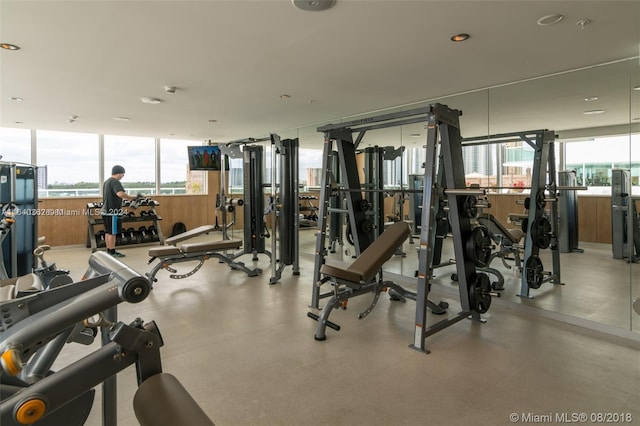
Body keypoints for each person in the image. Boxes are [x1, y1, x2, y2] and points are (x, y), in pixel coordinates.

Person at [102, 165, 136, 257]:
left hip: (105, 211)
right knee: (113, 233)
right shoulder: (115, 182)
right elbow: (120, 193)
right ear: (119, 173)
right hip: (113, 211)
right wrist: (130, 198)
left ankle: (109, 251)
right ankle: (112, 252)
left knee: (108, 232)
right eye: (122, 174)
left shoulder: (107, 182)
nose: (123, 176)